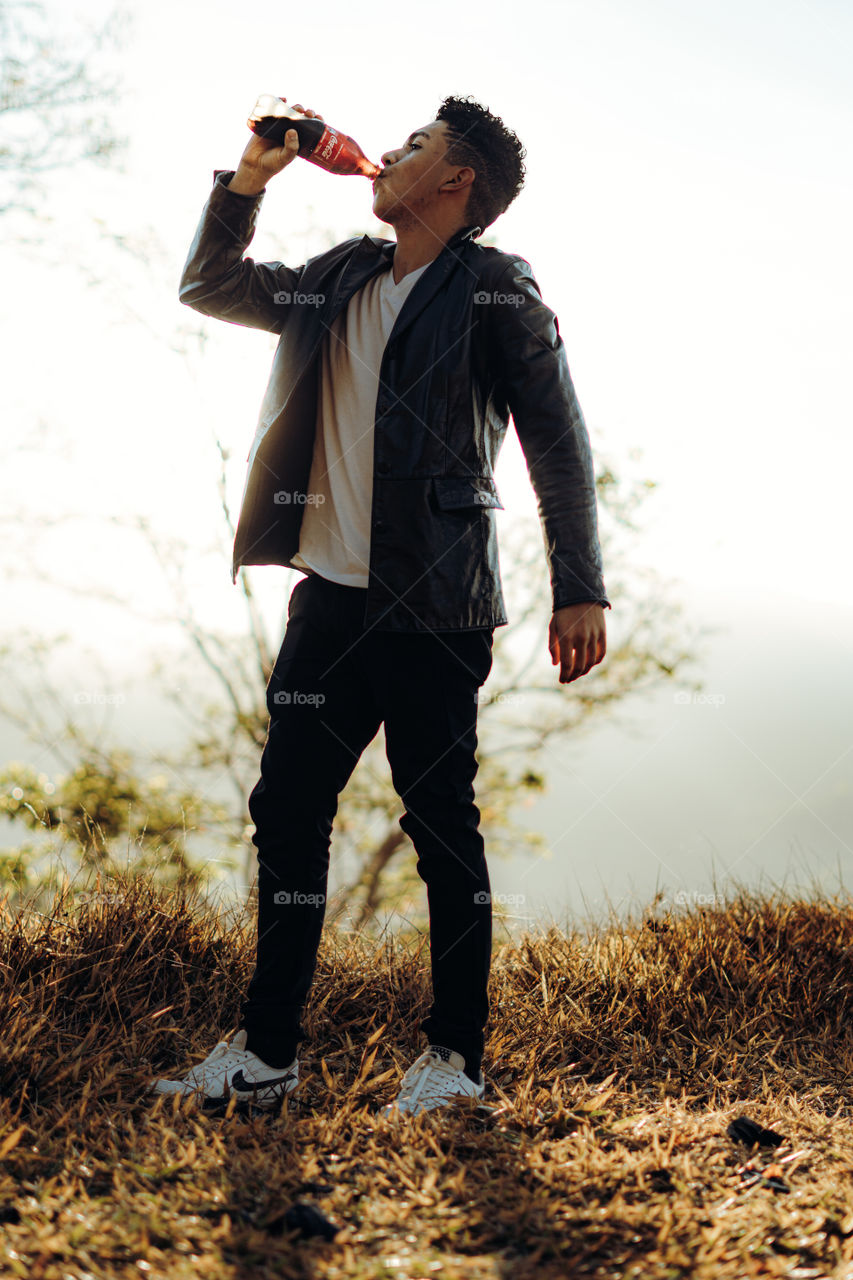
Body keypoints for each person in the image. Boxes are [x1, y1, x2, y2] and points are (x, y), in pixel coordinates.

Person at [150, 95, 610, 1118]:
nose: (387, 151)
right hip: (329, 604)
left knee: (441, 822)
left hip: (437, 609)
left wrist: (578, 585)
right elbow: (208, 283)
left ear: (458, 183)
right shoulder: (343, 274)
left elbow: (558, 441)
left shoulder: (495, 289)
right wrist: (252, 180)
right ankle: (266, 1055)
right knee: (288, 812)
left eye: (416, 146)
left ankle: (452, 1062)